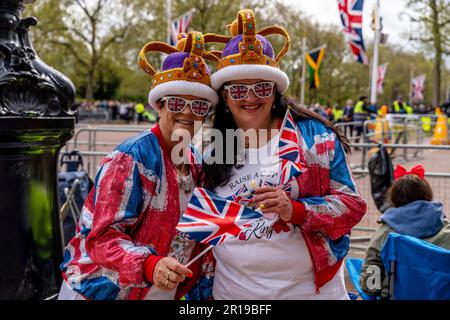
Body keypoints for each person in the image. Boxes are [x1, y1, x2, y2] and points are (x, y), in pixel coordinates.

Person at [192, 9, 367, 300]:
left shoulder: (314, 138)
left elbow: (352, 206)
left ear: (275, 91)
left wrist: (295, 210)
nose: (250, 98)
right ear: (224, 96)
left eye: (261, 87)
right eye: (237, 90)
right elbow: (198, 222)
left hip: (311, 293)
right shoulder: (212, 147)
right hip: (232, 294)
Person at [58, 31, 219, 300]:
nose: (188, 112)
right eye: (178, 102)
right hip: (101, 293)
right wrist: (149, 264)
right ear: (160, 105)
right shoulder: (132, 157)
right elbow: (102, 238)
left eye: (200, 105)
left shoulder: (197, 163)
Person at [360, 164, 450, 299]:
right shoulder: (446, 230)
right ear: (427, 195)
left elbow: (371, 286)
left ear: (394, 198)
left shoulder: (385, 234)